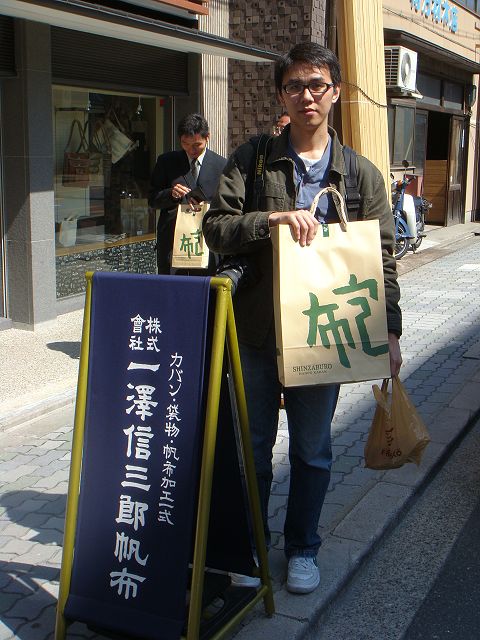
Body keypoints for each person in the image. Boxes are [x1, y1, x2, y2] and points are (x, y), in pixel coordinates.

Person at [203, 42, 402, 595]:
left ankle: (302, 548)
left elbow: (383, 259)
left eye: (317, 85)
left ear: (335, 92)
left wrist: (389, 330)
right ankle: (250, 546)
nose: (306, 96)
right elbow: (215, 229)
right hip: (257, 333)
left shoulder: (361, 174)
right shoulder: (252, 159)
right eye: (294, 86)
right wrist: (270, 219)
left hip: (324, 334)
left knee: (312, 451)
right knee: (253, 450)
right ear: (281, 95)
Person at [148, 113, 226, 274]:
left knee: (207, 287)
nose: (191, 150)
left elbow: (229, 205)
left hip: (207, 244)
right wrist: (171, 194)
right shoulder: (166, 161)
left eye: (197, 145)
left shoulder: (222, 165)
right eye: (185, 144)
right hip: (173, 243)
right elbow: (153, 200)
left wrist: (208, 206)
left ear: (207, 137)